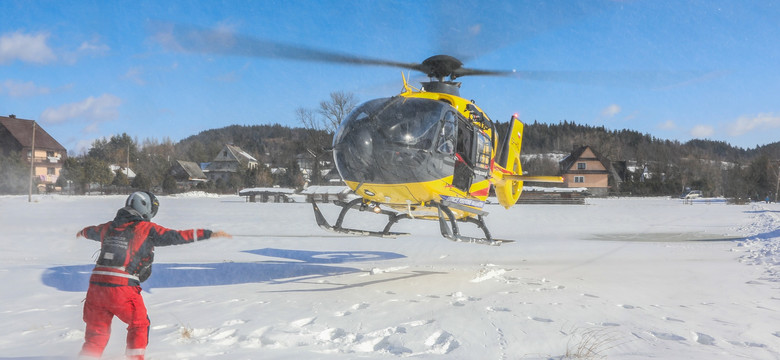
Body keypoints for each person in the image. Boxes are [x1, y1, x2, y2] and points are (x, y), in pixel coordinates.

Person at [76, 191, 231, 360]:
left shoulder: (108, 227)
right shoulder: (147, 229)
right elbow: (177, 236)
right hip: (122, 287)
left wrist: (81, 232)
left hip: (96, 288)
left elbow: (90, 231)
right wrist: (208, 234)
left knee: (96, 334)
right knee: (139, 325)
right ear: (146, 208)